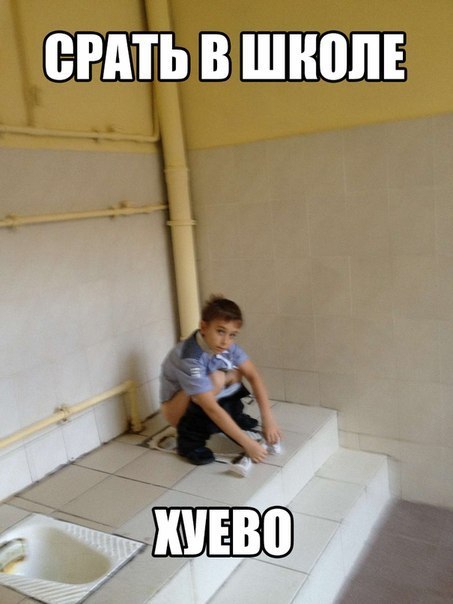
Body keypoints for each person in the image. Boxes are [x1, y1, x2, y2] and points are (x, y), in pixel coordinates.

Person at [160, 294, 282, 465]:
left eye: (232, 335)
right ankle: (189, 444)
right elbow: (210, 406)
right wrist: (248, 444)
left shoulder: (224, 345)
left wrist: (268, 420)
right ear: (203, 327)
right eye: (220, 331)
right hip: (177, 412)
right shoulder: (190, 357)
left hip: (202, 395)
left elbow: (253, 375)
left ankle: (234, 416)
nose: (225, 341)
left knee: (234, 373)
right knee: (217, 379)